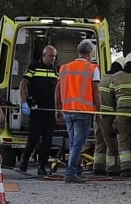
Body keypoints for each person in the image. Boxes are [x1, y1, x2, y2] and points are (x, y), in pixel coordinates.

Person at [56, 39, 102, 183]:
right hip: (83, 112)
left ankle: (77, 171)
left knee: (73, 142)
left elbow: (57, 90)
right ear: (89, 53)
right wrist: (98, 111)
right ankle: (70, 173)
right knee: (78, 144)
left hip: (67, 111)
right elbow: (96, 92)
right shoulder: (92, 69)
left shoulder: (64, 68)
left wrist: (57, 108)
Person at [16, 44, 58, 173]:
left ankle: (42, 166)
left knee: (48, 140)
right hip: (36, 108)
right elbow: (23, 84)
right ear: (44, 55)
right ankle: (24, 160)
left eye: (55, 56)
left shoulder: (54, 69)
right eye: (51, 56)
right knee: (33, 137)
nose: (53, 59)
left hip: (50, 109)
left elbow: (58, 90)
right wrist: (24, 102)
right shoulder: (34, 67)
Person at [95, 59, 123, 175]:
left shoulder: (103, 77)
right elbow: (116, 100)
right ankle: (113, 169)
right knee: (112, 144)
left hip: (98, 116)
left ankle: (98, 167)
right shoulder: (115, 79)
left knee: (100, 142)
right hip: (108, 116)